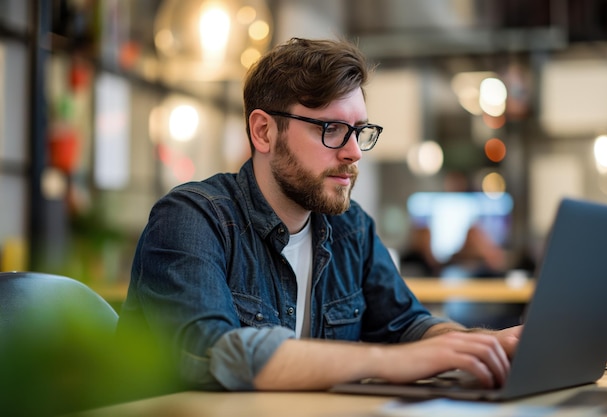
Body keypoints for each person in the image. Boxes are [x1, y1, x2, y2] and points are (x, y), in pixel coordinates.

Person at [116, 37, 522, 392]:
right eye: (330, 128)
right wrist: (389, 363)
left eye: (359, 130)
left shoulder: (350, 228)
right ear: (264, 132)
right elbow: (213, 352)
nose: (354, 151)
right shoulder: (191, 218)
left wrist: (481, 344)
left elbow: (405, 325)